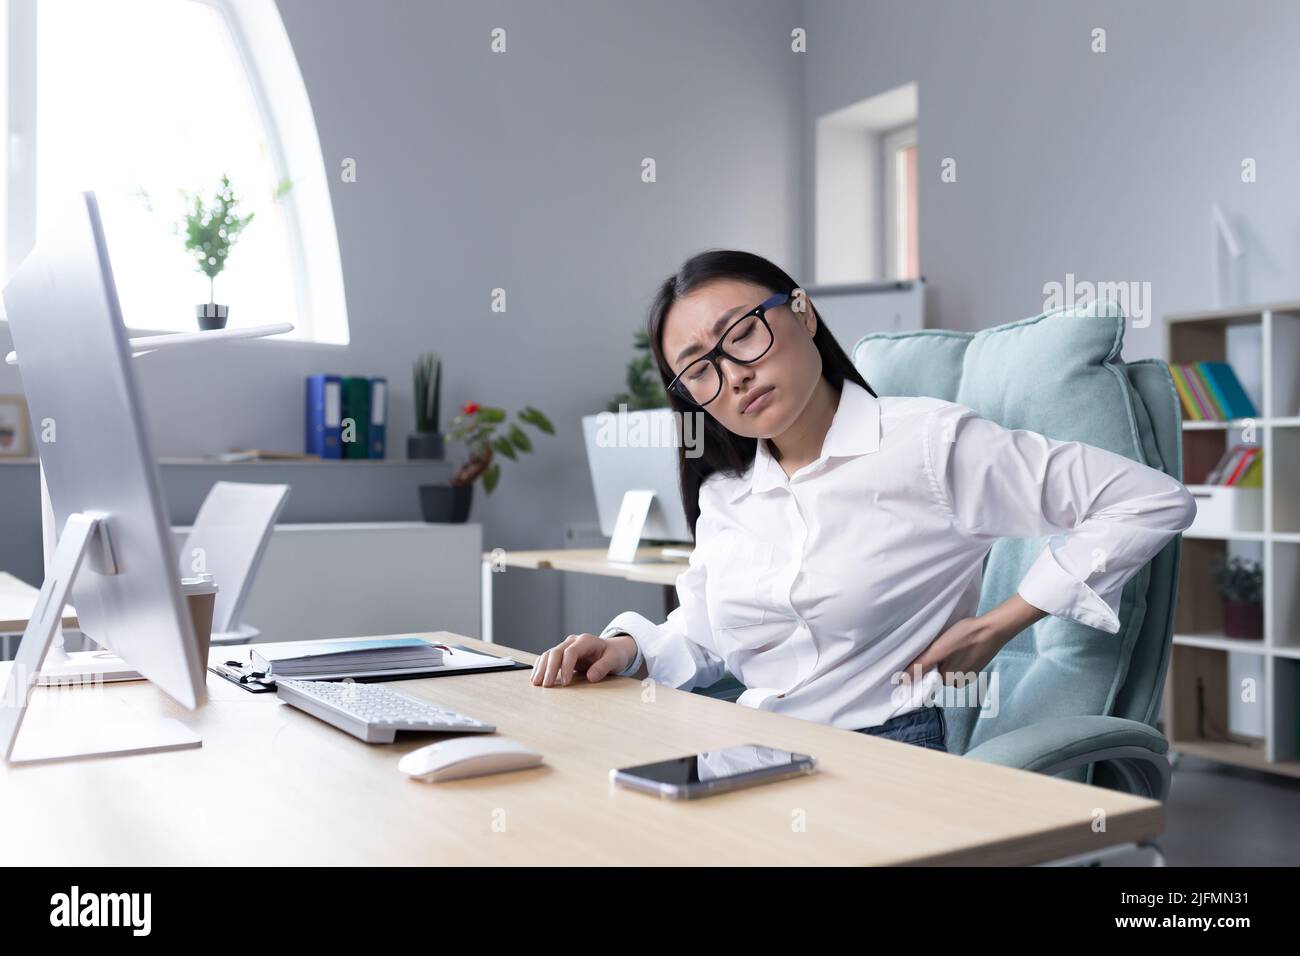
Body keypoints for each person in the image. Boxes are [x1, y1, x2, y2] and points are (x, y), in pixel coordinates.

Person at [531, 249, 1196, 753]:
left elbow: (1148, 500)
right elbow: (705, 636)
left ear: (802, 312)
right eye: (700, 369)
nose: (734, 376)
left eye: (742, 335)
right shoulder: (728, 492)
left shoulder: (925, 445)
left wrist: (1000, 623)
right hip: (752, 747)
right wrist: (626, 649)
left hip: (886, 752)